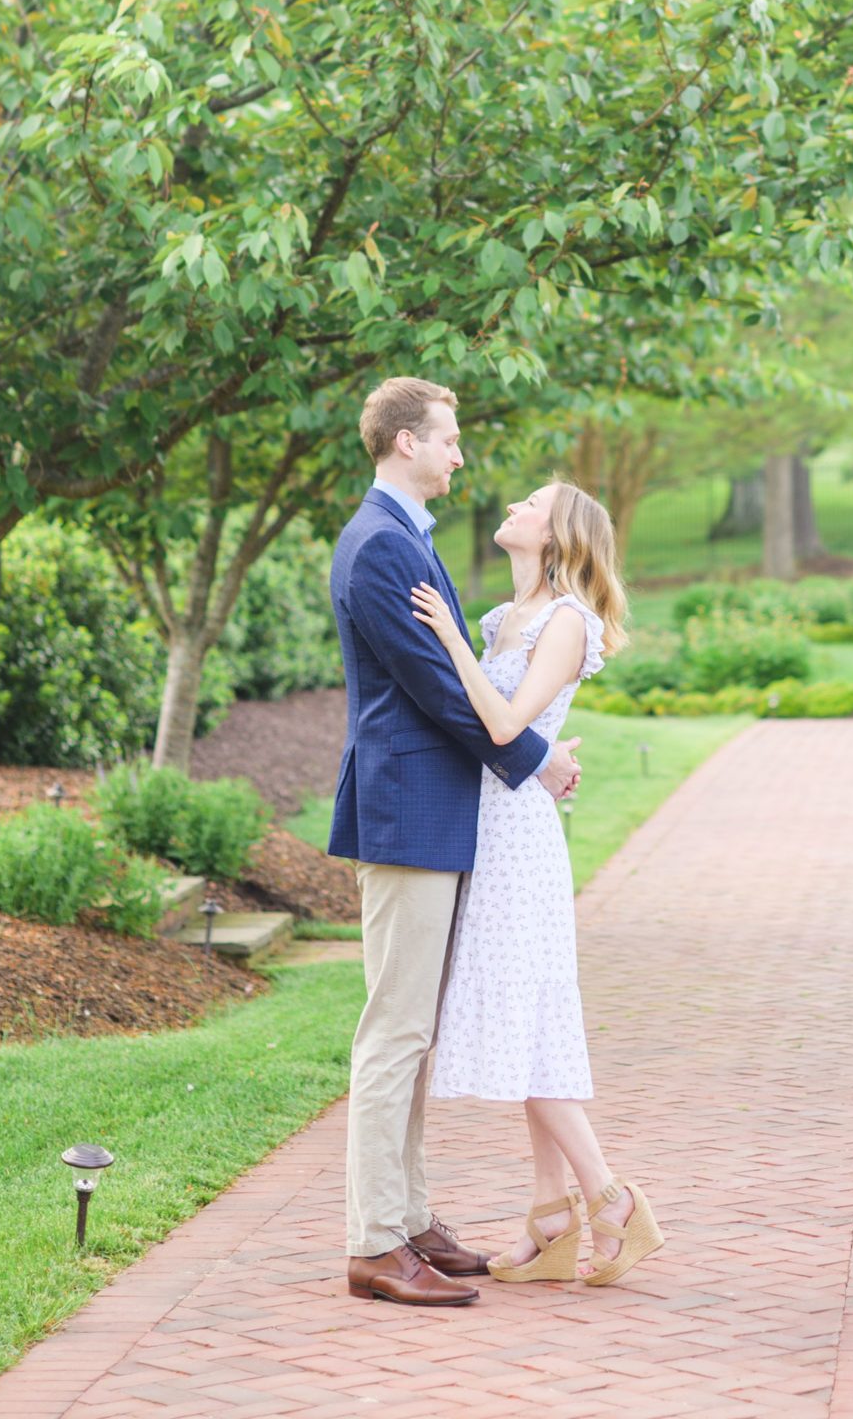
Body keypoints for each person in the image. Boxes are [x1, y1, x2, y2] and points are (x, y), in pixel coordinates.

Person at [329, 377, 582, 1310]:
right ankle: (371, 1244)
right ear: (404, 443)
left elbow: (452, 681)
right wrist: (537, 761)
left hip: (436, 811)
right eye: (448, 440)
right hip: (407, 813)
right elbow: (441, 691)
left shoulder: (406, 539)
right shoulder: (380, 548)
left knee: (416, 1032)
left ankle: (410, 1221)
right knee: (393, 1031)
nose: (460, 455)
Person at [409, 477, 665, 1288]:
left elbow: (502, 724)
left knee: (522, 1029)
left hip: (518, 840)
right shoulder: (503, 619)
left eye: (530, 504)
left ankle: (609, 1198)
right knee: (535, 1028)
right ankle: (551, 1217)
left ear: (555, 537)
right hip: (488, 824)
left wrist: (450, 641)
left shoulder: (566, 623)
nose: (512, 506)